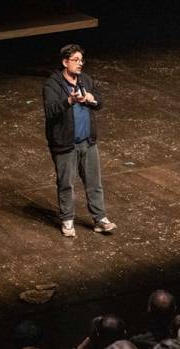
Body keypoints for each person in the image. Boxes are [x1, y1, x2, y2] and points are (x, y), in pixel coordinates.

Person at [43, 43, 116, 237]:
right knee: (66, 183)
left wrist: (91, 98)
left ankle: (100, 219)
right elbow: (50, 111)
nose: (80, 63)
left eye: (81, 60)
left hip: (88, 141)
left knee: (94, 182)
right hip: (65, 144)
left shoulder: (86, 80)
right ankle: (67, 220)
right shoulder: (52, 84)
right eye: (76, 60)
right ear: (65, 62)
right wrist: (69, 101)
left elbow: (99, 102)